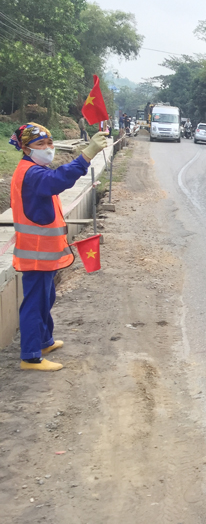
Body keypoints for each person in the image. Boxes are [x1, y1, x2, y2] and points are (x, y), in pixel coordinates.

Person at [8, 123, 108, 371]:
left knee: (45, 298)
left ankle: (44, 341)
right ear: (25, 148)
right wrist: (87, 155)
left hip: (44, 253)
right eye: (40, 144)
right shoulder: (32, 174)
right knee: (35, 303)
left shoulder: (33, 169)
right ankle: (30, 357)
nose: (47, 148)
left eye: (49, 142)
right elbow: (58, 180)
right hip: (36, 254)